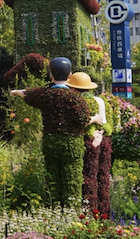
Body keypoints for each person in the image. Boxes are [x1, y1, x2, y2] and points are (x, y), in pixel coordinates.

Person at [11, 57, 92, 206]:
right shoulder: (76, 98)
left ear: (50, 75)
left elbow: (27, 93)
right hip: (71, 142)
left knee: (52, 176)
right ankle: (71, 208)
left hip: (50, 141)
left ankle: (53, 207)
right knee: (71, 177)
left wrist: (15, 92)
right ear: (70, 75)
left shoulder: (45, 94)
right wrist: (96, 119)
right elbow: (84, 120)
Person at [67, 72, 107, 212]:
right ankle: (100, 210)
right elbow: (105, 124)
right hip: (97, 141)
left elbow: (76, 123)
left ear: (72, 88)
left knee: (84, 177)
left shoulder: (74, 102)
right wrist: (100, 134)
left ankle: (86, 209)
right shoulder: (99, 101)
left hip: (80, 141)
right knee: (99, 176)